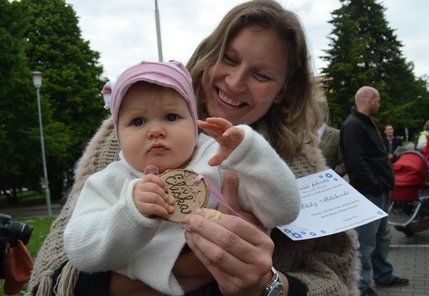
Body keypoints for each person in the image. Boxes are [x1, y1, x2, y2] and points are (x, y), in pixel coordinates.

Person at [27, 1, 359, 295]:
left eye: (260, 74)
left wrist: (270, 286)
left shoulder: (296, 166)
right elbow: (57, 272)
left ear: (284, 90)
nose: (235, 82)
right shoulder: (119, 146)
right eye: (229, 59)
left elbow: (335, 277)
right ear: (209, 54)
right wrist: (186, 272)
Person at [63, 61, 300, 295]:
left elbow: (283, 210)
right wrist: (130, 212)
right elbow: (80, 252)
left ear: (194, 122)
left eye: (171, 117)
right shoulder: (108, 182)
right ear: (118, 135)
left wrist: (249, 153)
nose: (156, 130)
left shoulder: (218, 160)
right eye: (137, 121)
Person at [340, 86, 409, 296]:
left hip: (378, 191)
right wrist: (375, 184)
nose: (379, 105)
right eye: (377, 100)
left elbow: (369, 158)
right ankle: (362, 286)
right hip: (369, 193)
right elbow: (355, 162)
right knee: (366, 242)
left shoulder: (365, 123)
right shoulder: (353, 125)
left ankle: (383, 276)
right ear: (370, 99)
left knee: (382, 237)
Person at [316, 100, 346, 177]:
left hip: (329, 183)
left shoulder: (337, 135)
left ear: (322, 114)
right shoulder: (302, 136)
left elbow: (344, 162)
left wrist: (331, 176)